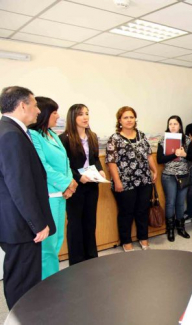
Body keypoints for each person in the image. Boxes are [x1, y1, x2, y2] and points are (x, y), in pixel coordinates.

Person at [0, 86, 55, 309]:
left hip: (13, 220)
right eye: (34, 105)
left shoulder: (8, 129)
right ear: (23, 106)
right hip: (20, 223)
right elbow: (19, 185)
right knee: (22, 278)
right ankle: (22, 317)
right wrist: (37, 223)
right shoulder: (11, 134)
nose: (38, 110)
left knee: (20, 274)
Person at [29, 97, 77, 278]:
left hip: (61, 194)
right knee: (47, 245)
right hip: (49, 194)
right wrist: (66, 183)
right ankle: (46, 282)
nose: (58, 116)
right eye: (54, 112)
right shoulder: (33, 136)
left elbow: (65, 162)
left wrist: (71, 183)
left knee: (57, 239)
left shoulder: (52, 134)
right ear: (44, 113)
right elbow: (43, 167)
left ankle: (52, 278)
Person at [106, 106, 157, 252]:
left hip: (144, 180)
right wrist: (117, 181)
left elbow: (149, 155)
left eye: (131, 117)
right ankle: (126, 240)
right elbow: (111, 161)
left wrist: (154, 170)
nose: (129, 120)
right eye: (125, 117)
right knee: (126, 212)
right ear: (120, 121)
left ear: (135, 119)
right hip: (124, 182)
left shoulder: (141, 135)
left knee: (142, 210)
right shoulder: (114, 139)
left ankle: (143, 238)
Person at [60, 104, 104, 265]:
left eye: (87, 113)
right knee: (75, 224)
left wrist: (100, 171)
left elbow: (95, 159)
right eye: (80, 114)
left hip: (92, 185)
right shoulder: (64, 139)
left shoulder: (92, 136)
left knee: (90, 221)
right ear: (73, 117)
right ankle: (77, 262)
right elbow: (64, 165)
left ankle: (91, 258)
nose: (85, 117)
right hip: (75, 186)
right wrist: (78, 177)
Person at [157, 115, 192, 241]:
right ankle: (170, 230)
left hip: (183, 175)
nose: (172, 126)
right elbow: (159, 159)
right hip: (169, 176)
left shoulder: (187, 140)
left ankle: (181, 228)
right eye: (170, 124)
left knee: (180, 203)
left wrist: (184, 154)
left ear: (180, 126)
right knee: (170, 202)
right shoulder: (163, 140)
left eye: (175, 124)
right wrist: (174, 154)